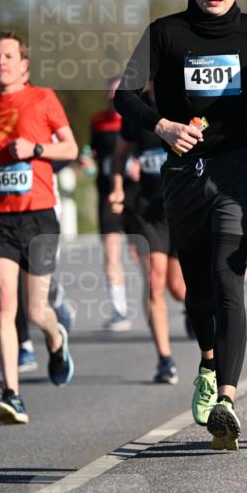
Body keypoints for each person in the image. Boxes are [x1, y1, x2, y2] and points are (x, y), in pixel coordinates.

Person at [114, 0, 247, 449]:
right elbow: (124, 95)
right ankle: (209, 364)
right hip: (182, 175)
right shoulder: (166, 33)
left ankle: (228, 401)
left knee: (227, 277)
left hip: (237, 170)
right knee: (197, 290)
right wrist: (163, 125)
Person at [0, 31, 77, 423]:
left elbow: (72, 148)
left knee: (34, 311)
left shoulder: (43, 97)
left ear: (24, 64)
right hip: (1, 219)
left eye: (8, 56)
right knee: (4, 303)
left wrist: (36, 150)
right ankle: (11, 393)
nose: (1, 62)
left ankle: (55, 335)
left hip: (40, 217)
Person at [108, 90, 186, 384]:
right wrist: (117, 185)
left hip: (182, 206)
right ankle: (165, 359)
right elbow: (119, 154)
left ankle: (192, 309)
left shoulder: (185, 99)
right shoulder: (136, 108)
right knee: (154, 283)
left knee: (179, 289)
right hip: (148, 211)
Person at [82, 78, 137, 331]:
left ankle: (184, 301)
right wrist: (88, 162)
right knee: (111, 252)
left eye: (120, 91)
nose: (115, 95)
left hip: (137, 195)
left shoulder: (139, 118)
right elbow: (93, 152)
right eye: (111, 91)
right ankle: (120, 310)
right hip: (107, 194)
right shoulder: (97, 121)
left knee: (146, 255)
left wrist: (138, 164)